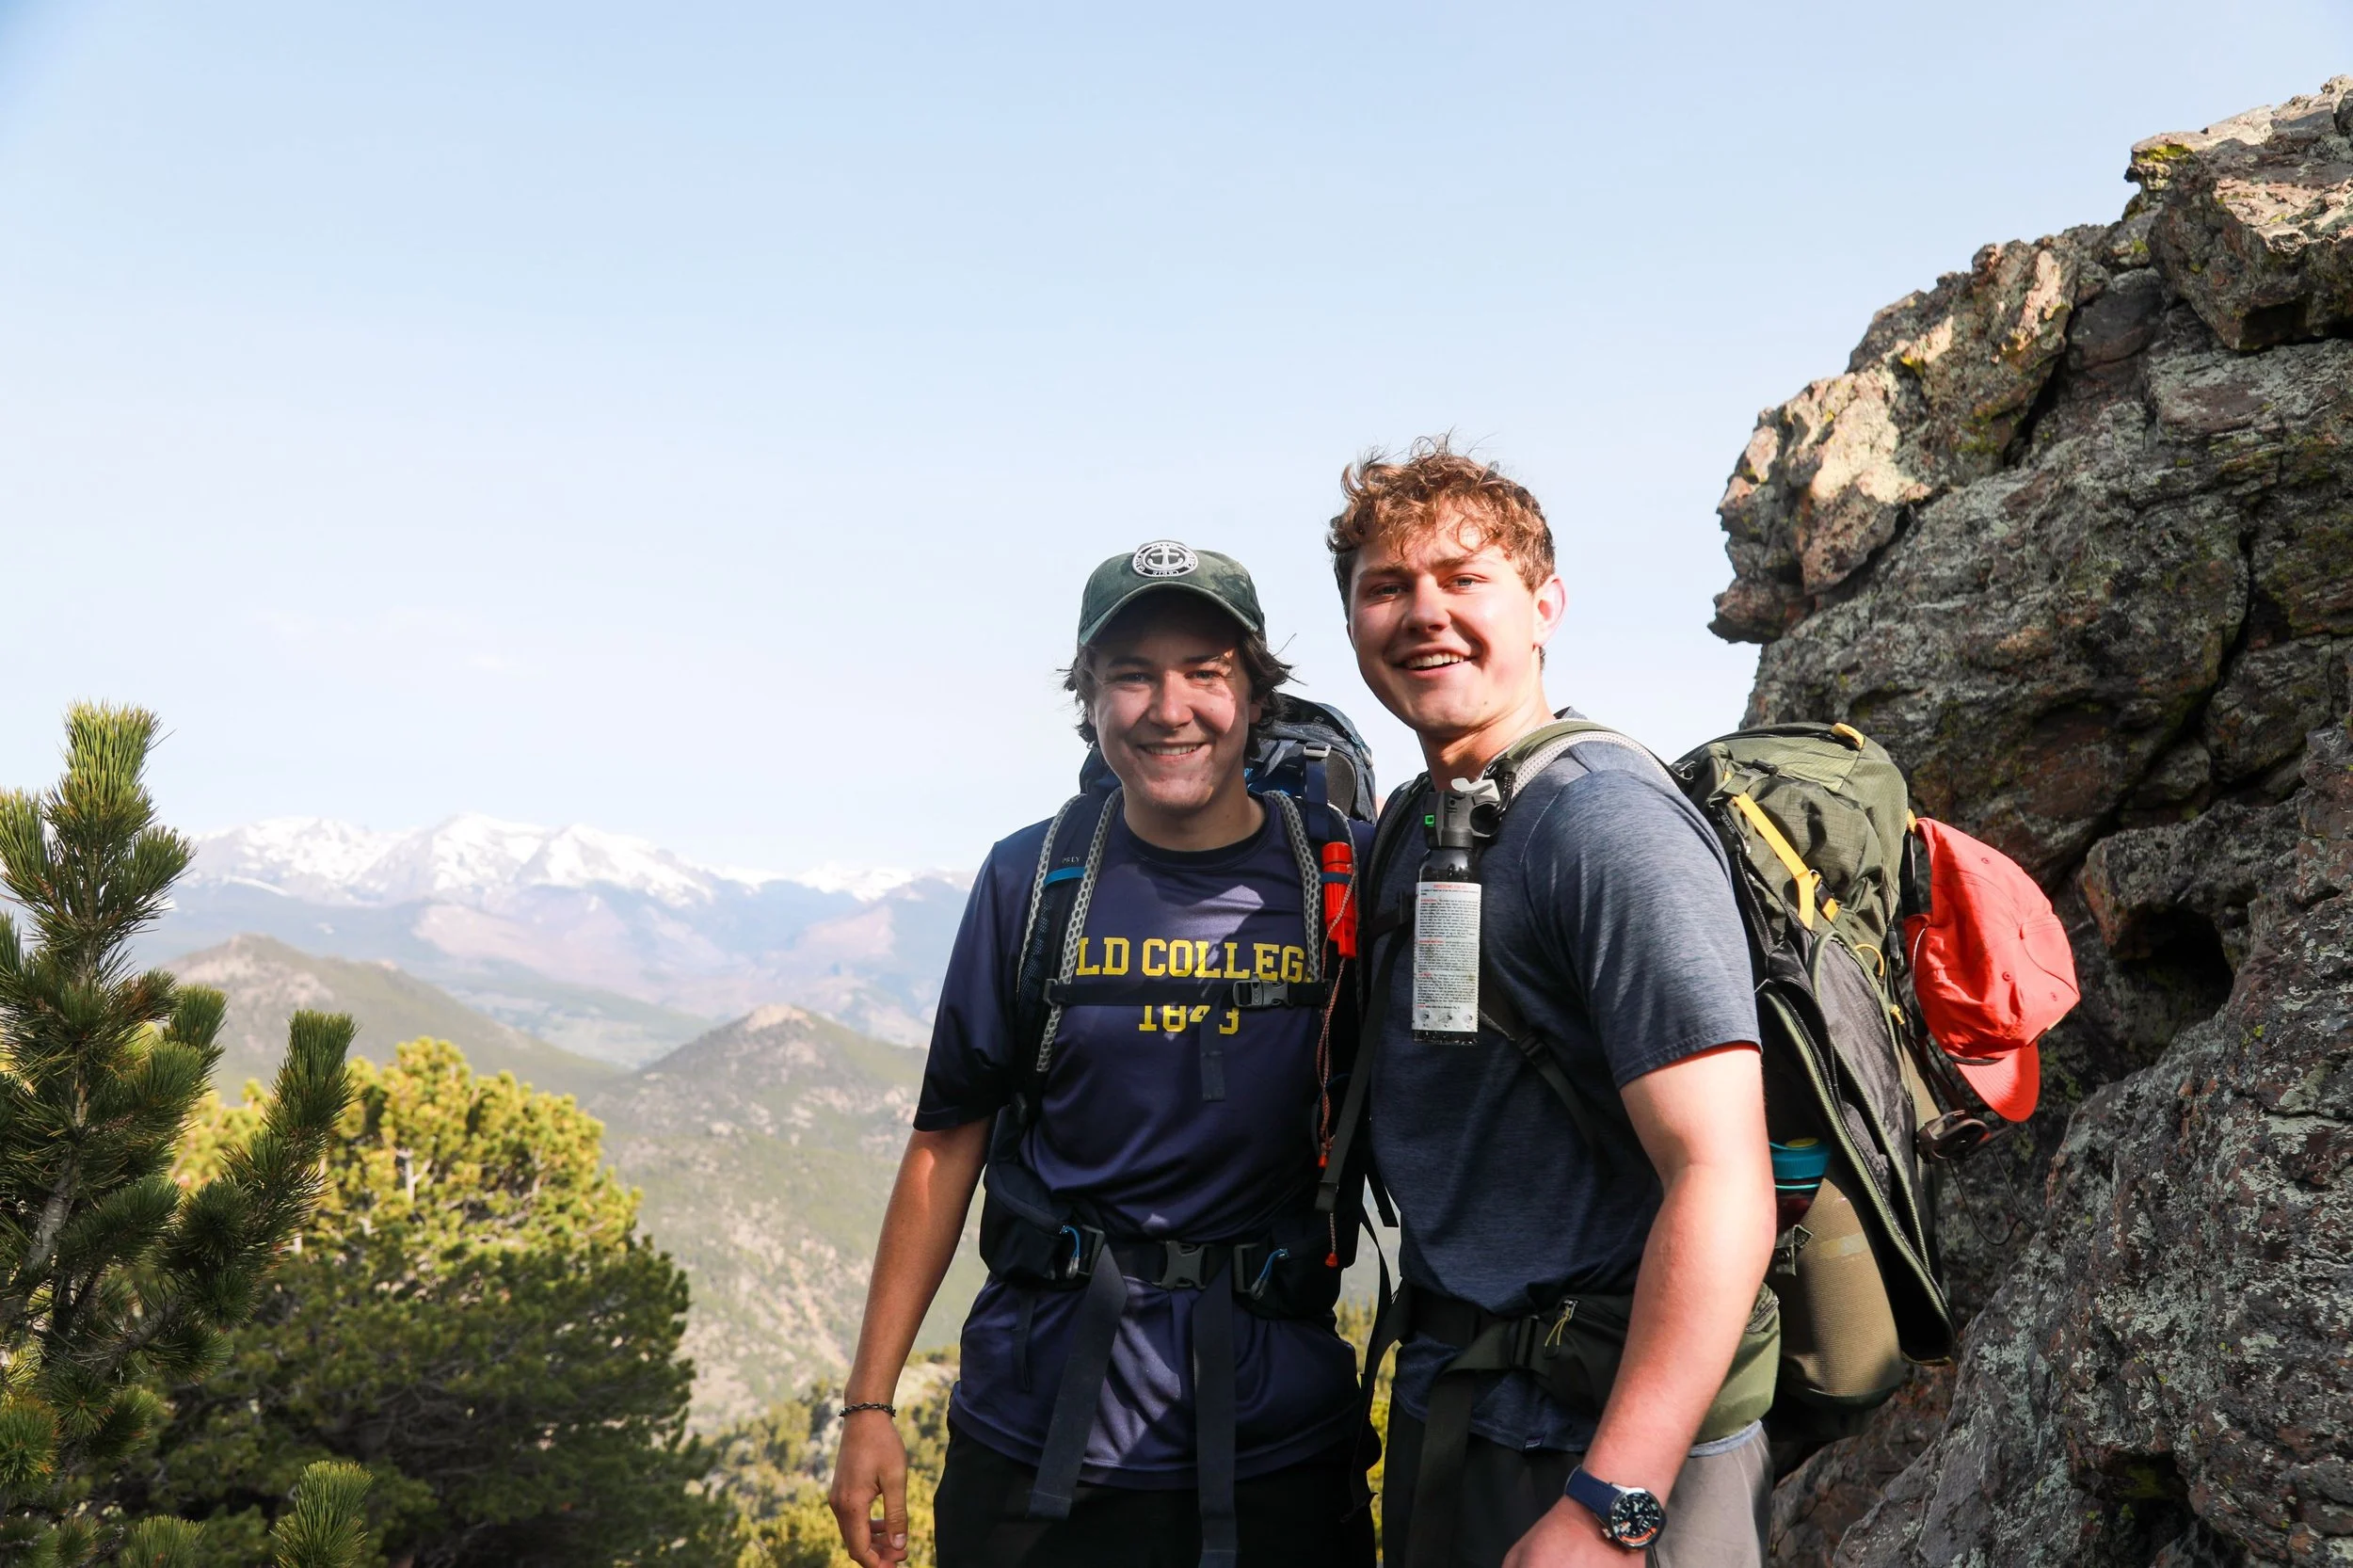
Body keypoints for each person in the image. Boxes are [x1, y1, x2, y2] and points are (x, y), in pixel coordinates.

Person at [828, 541, 1376, 1568]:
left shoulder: (1340, 873)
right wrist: (868, 1405)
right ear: (1089, 700)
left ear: (1257, 696)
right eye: (1131, 675)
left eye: (1206, 672)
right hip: (1037, 1434)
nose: (1170, 708)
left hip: (1276, 1441)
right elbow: (946, 1141)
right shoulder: (1032, 878)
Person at [1327, 442, 1776, 1568]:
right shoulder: (1414, 828)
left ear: (1544, 606)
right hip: (1462, 1413)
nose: (1423, 613)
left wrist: (1612, 1505)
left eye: (1463, 578)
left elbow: (1721, 1171)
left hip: (1612, 1445)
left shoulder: (1605, 825)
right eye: (1387, 586)